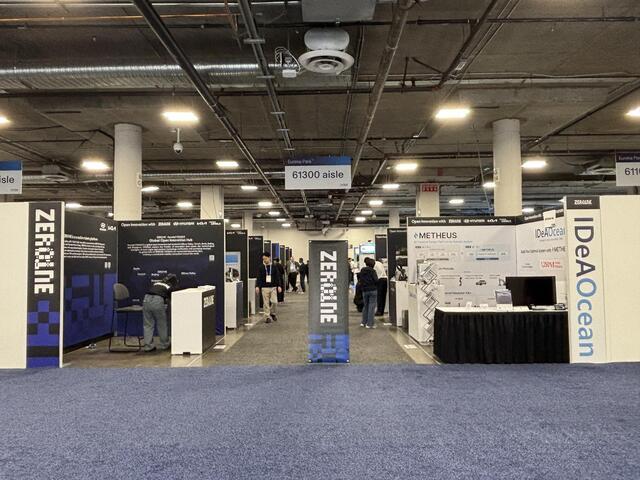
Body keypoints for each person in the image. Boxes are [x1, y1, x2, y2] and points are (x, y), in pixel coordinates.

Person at [142, 273, 179, 352]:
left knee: (148, 324)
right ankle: (164, 344)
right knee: (161, 323)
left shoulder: (156, 283)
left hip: (146, 299)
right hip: (157, 300)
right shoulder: (169, 287)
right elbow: (170, 300)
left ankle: (148, 346)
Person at [256, 252, 282, 323]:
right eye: (263, 259)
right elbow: (259, 277)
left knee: (275, 302)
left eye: (266, 259)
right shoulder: (261, 267)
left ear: (269, 258)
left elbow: (277, 277)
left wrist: (279, 286)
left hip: (273, 287)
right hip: (264, 288)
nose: (264, 260)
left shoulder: (274, 267)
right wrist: (257, 286)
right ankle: (267, 317)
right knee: (266, 303)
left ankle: (272, 313)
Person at [359, 258, 378, 328]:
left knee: (365, 306)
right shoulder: (373, 271)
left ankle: (363, 322)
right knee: (371, 307)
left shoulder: (362, 270)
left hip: (364, 290)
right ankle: (370, 324)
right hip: (373, 290)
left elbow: (360, 279)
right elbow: (376, 280)